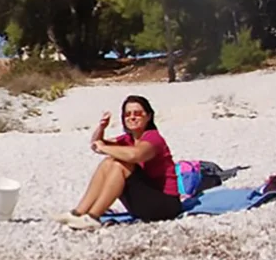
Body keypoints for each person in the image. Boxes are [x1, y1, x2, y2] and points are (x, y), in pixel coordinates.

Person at [56, 94, 183, 230]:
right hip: (144, 201)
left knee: (120, 164)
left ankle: (93, 217)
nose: (132, 117)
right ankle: (78, 213)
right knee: (108, 162)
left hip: (166, 205)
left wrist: (104, 148)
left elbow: (135, 155)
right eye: (127, 114)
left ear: (149, 116)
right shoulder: (128, 139)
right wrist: (101, 128)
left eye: (138, 113)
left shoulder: (153, 138)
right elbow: (96, 144)